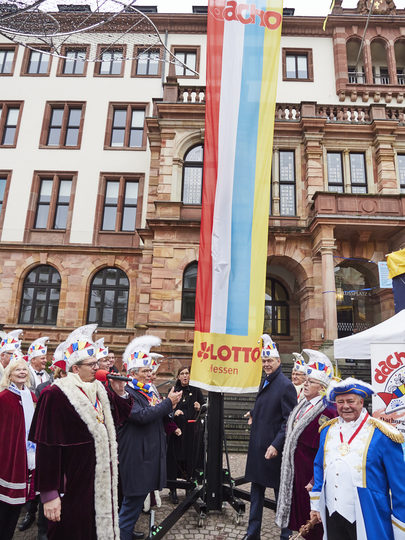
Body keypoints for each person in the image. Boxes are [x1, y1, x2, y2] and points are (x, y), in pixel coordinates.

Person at [29, 324, 132, 540]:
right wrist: (49, 494)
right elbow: (48, 448)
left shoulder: (99, 389)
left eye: (97, 363)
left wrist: (120, 391)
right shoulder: (54, 394)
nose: (98, 367)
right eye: (92, 364)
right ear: (75, 368)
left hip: (99, 480)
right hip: (72, 483)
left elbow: (119, 417)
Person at [310, 377, 405, 539]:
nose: (345, 406)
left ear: (361, 402)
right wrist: (316, 504)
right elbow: (319, 466)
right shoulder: (327, 430)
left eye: (350, 401)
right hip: (332, 513)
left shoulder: (383, 434)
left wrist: (400, 526)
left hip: (370, 515)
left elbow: (399, 486)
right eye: (340, 402)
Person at [118, 335, 183, 540]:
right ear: (132, 373)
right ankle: (122, 535)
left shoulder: (147, 391)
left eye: (150, 371)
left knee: (136, 502)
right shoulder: (128, 393)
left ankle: (127, 532)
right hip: (137, 457)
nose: (150, 375)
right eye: (146, 371)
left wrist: (170, 406)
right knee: (131, 504)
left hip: (147, 455)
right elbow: (141, 416)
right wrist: (167, 404)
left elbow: (158, 414)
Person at [276, 350, 337, 540]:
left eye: (310, 382)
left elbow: (328, 449)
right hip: (296, 472)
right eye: (306, 381)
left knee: (315, 522)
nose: (305, 384)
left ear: (322, 387)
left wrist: (314, 479)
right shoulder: (303, 404)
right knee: (302, 518)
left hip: (311, 475)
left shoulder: (329, 411)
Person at [242, 334, 297, 540]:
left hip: (274, 452)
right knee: (256, 492)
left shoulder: (285, 385)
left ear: (278, 361)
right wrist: (254, 413)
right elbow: (266, 406)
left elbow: (288, 420)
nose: (266, 364)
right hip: (258, 447)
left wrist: (276, 445)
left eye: (270, 361)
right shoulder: (265, 381)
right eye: (264, 361)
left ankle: (286, 533)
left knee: (279, 494)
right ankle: (252, 533)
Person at [0, 356, 37, 540]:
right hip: (7, 458)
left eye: (24, 369)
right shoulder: (4, 397)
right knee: (4, 505)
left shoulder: (31, 396)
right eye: (17, 370)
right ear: (10, 375)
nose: (22, 372)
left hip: (26, 457)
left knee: (16, 506)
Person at [166, 365, 206, 504]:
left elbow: (204, 407)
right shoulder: (173, 390)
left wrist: (199, 407)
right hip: (176, 432)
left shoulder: (195, 390)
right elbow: (165, 408)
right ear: (178, 377)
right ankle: (173, 489)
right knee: (174, 460)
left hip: (191, 432)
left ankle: (189, 487)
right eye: (182, 373)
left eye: (187, 373)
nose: (185, 376)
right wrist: (173, 411)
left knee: (190, 460)